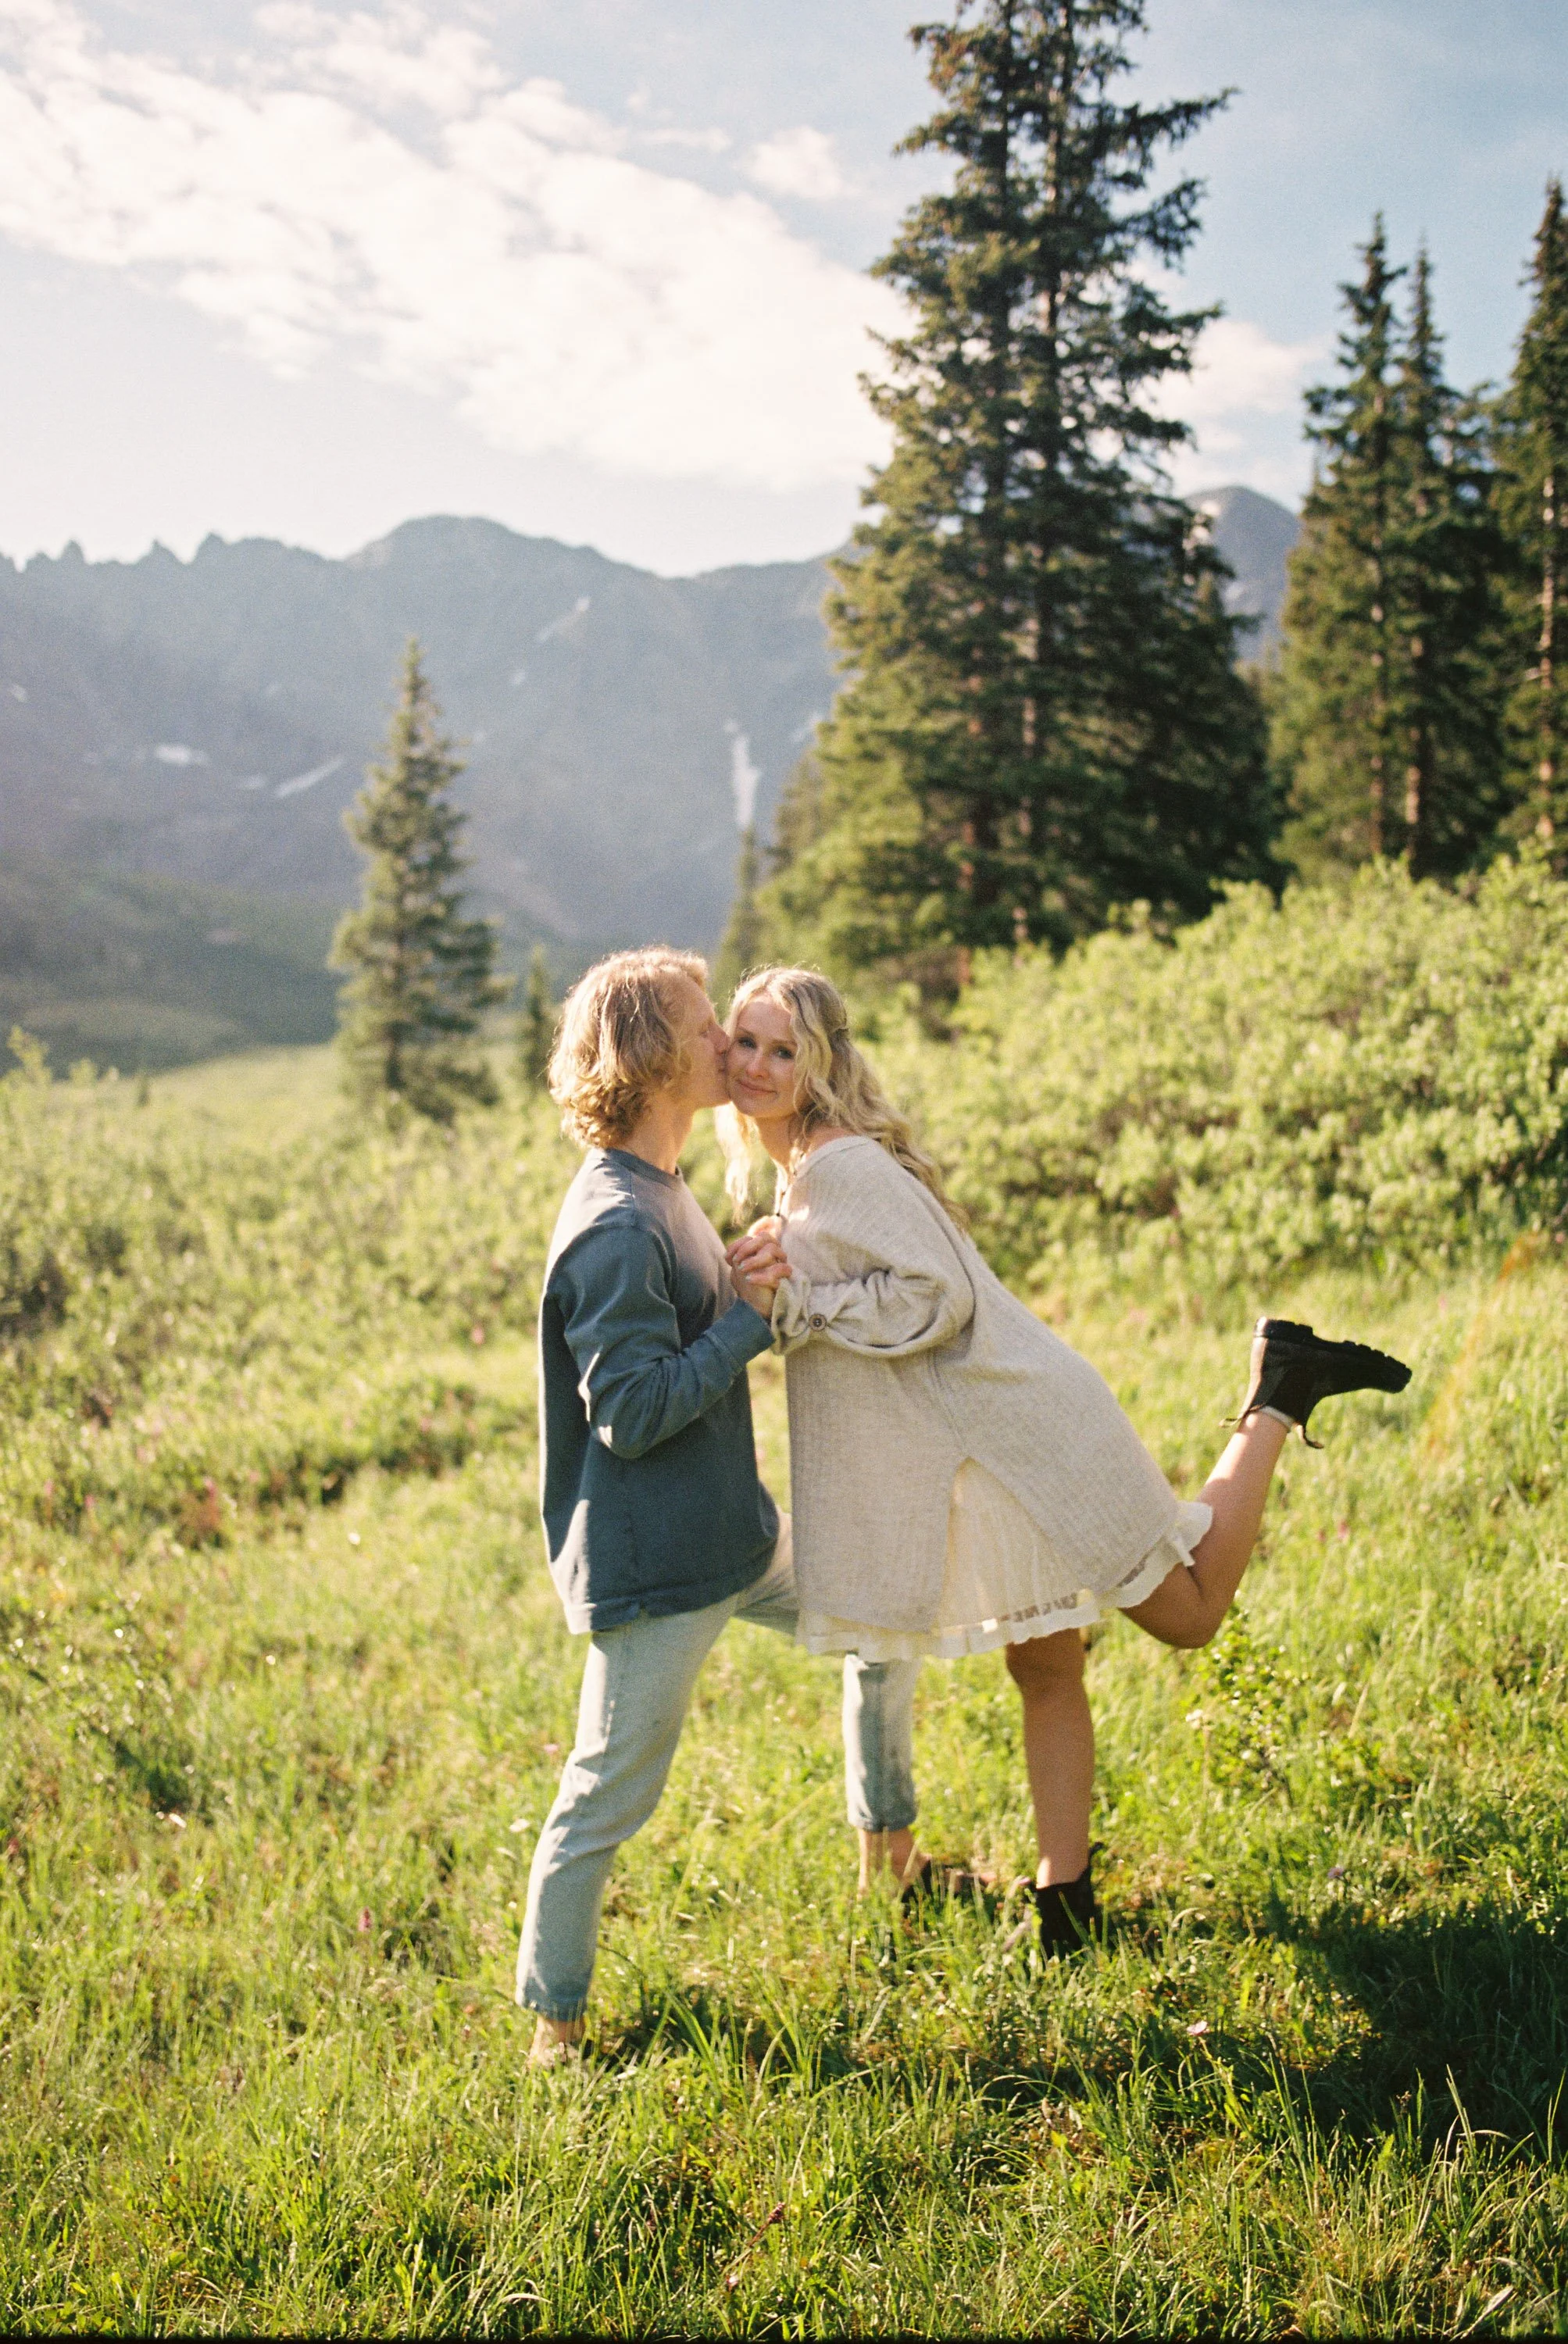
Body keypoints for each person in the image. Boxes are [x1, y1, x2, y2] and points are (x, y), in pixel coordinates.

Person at [722, 965, 1411, 1953]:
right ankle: (1067, 1911)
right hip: (982, 1447)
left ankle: (1280, 1393)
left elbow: (935, 1300)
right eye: (744, 1042)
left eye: (782, 1049)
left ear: (822, 1063)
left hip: (1026, 1429)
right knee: (1044, 1667)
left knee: (1190, 1613)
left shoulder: (838, 1165)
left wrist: (793, 1305)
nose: (756, 1064)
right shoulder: (806, 1169)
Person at [518, 948, 923, 2067]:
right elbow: (633, 1414)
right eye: (706, 1029)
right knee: (603, 1796)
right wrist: (744, 1321)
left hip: (734, 1535)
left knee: (882, 1624)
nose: (726, 1045)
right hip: (656, 1571)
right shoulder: (612, 1222)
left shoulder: (665, 1185)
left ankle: (888, 1861)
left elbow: (693, 1320)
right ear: (651, 1057)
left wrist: (740, 1277)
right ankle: (555, 2024)